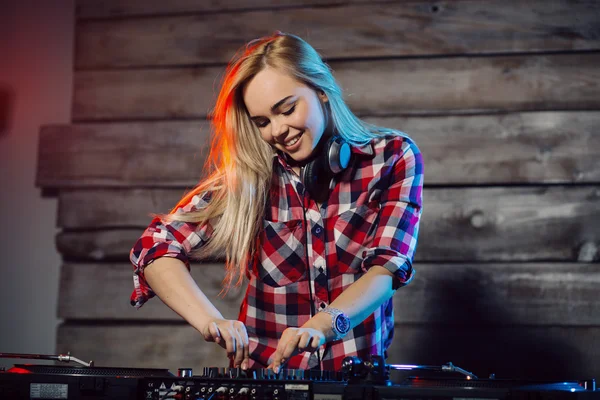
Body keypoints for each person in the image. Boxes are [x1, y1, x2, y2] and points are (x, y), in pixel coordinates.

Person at [129, 32, 423, 373]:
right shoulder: (252, 179)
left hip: (354, 379)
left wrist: (322, 325)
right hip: (266, 381)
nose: (278, 131)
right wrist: (210, 321)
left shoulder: (392, 158)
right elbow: (154, 245)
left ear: (322, 91)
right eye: (263, 122)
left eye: (287, 109)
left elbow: (386, 268)